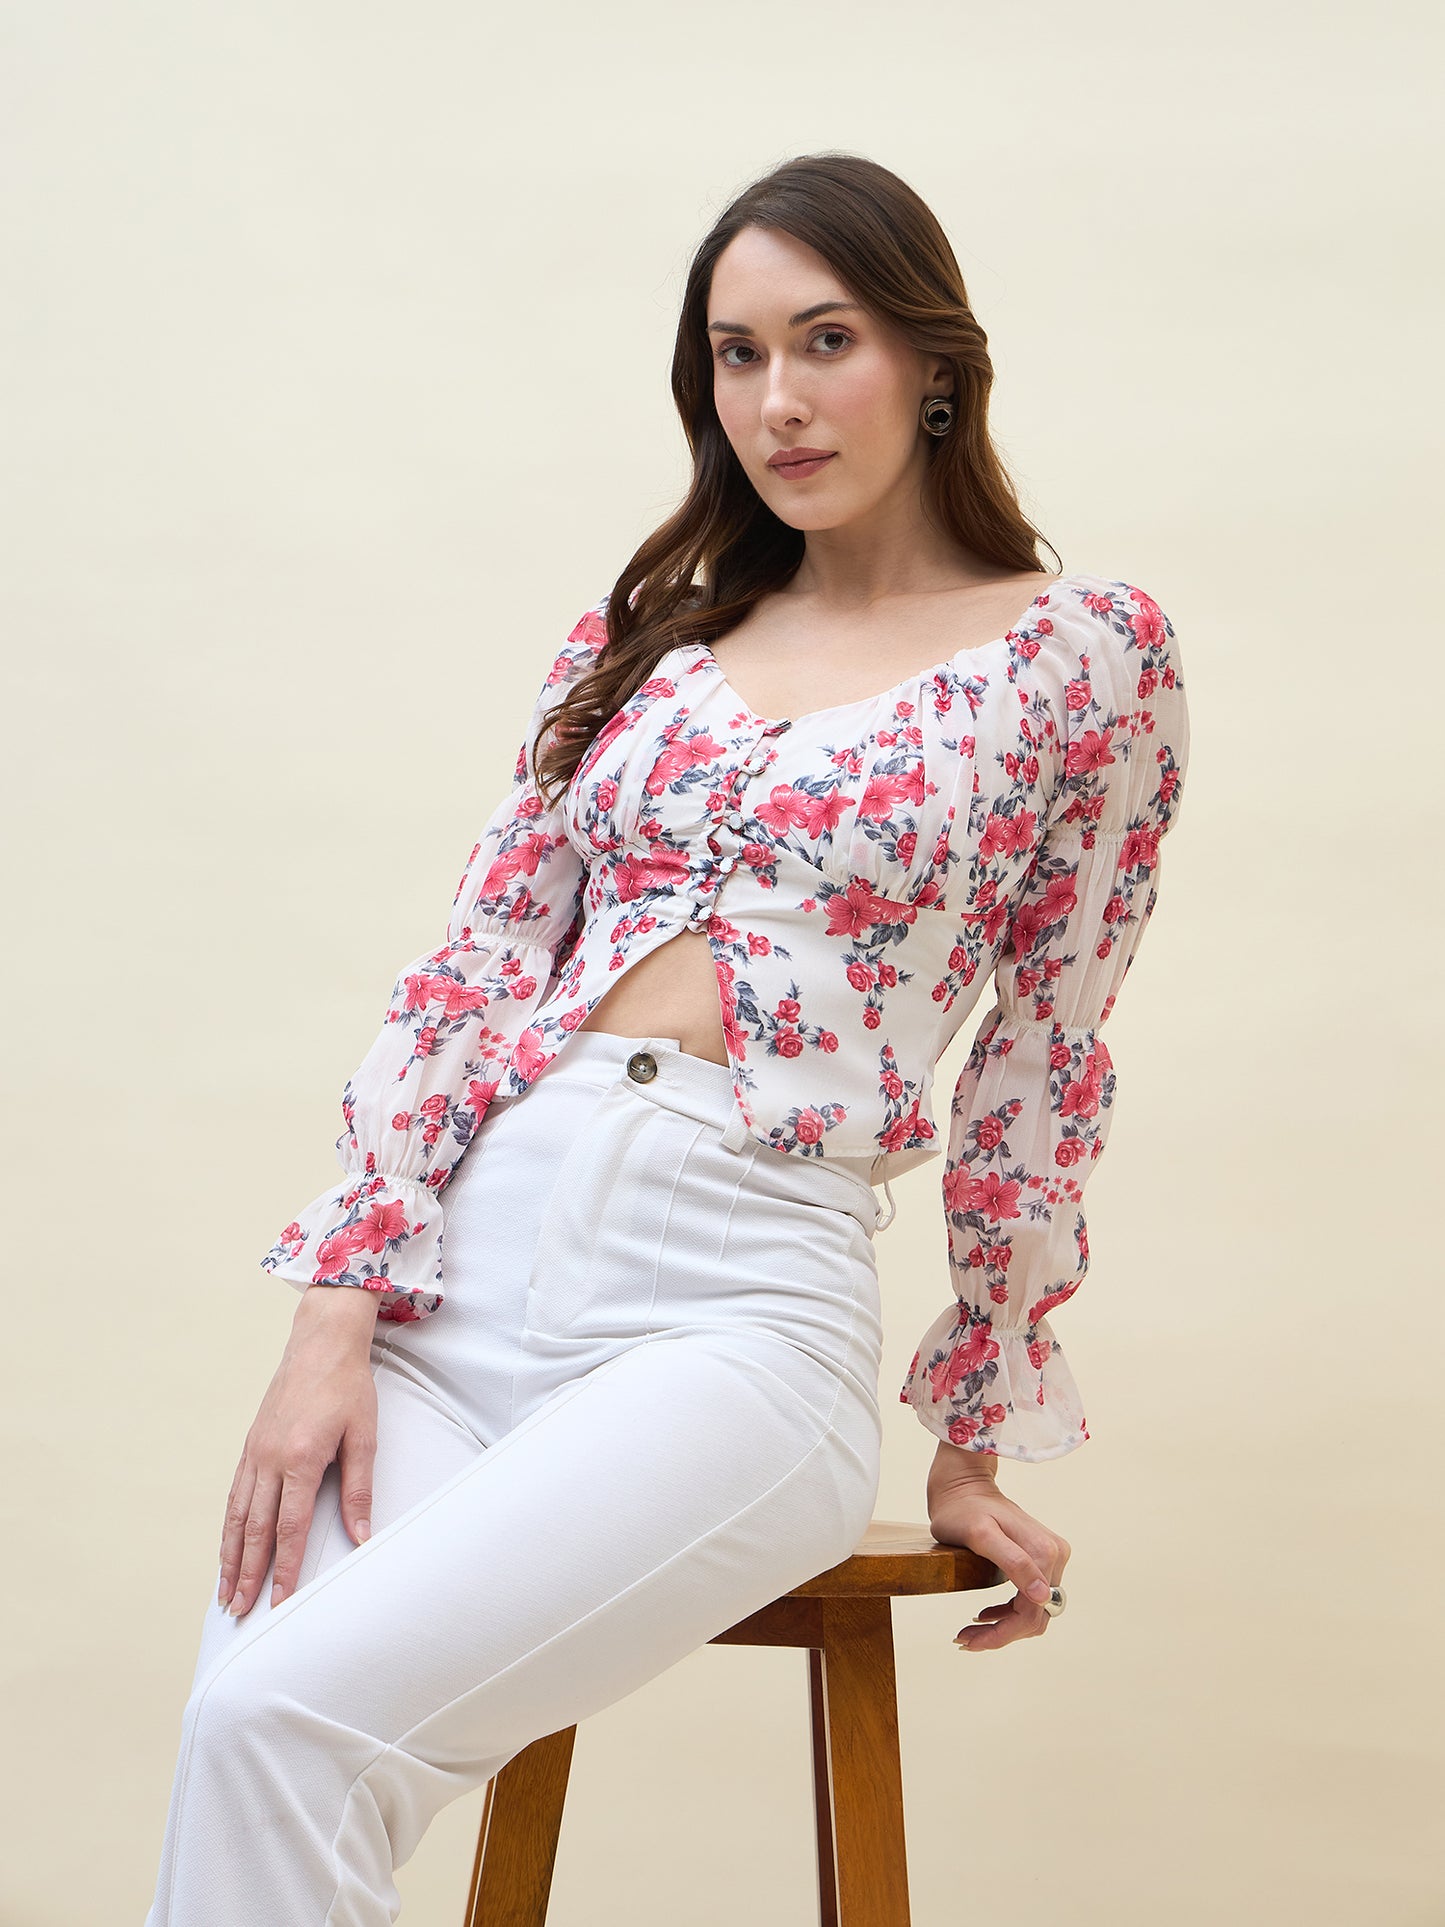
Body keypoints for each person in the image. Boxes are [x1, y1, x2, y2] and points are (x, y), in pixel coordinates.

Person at [144, 151, 1190, 1924]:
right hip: (454, 1284)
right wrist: (337, 1306)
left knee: (281, 1716)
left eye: (825, 340)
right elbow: (473, 970)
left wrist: (972, 1426)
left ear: (933, 363)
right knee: (244, 1744)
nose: (775, 400)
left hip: (731, 1304)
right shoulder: (649, 634)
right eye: (732, 354)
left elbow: (1045, 1060)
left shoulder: (1082, 661)